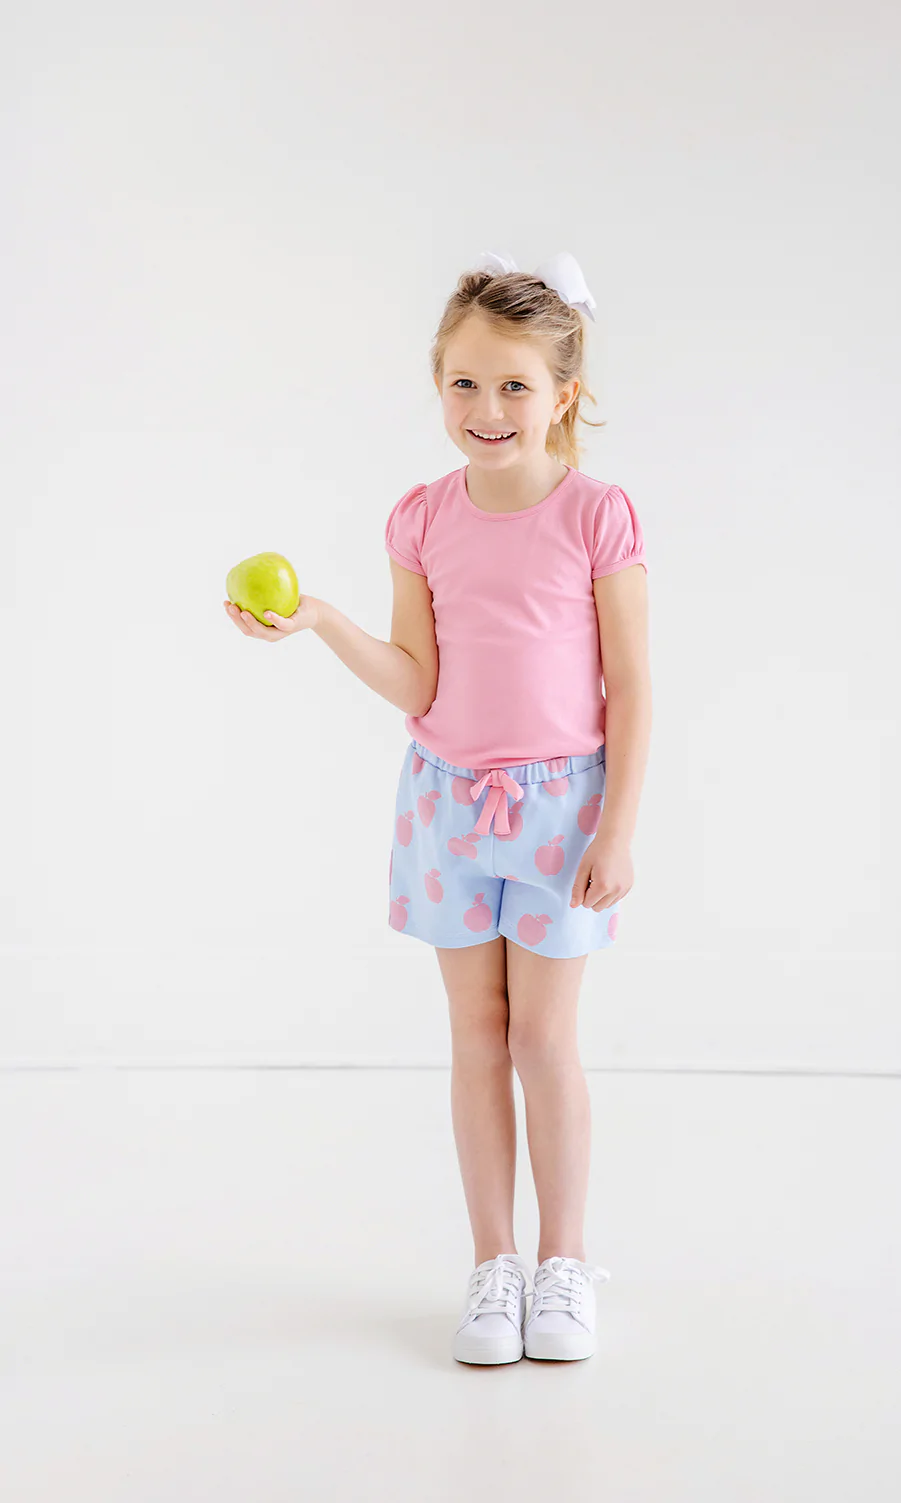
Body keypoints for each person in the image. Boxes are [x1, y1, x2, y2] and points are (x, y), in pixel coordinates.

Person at [223, 249, 652, 1366]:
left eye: (514, 385)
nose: (486, 408)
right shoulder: (420, 519)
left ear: (563, 394)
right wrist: (322, 620)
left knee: (542, 1037)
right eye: (464, 382)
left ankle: (564, 1262)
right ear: (436, 383)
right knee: (475, 1037)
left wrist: (616, 826)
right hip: (446, 808)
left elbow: (632, 684)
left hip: (561, 812)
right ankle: (492, 1265)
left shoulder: (597, 515)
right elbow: (418, 682)